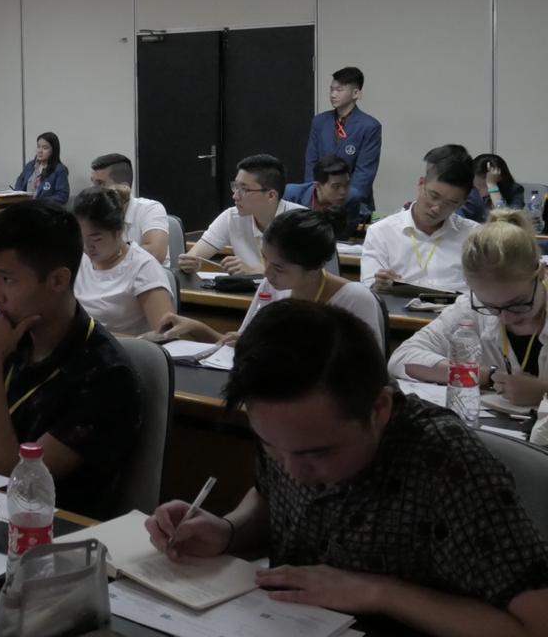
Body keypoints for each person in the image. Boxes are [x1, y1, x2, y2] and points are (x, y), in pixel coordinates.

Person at [145, 300, 548, 637]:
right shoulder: (290, 432)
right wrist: (228, 530)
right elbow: (270, 499)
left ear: (379, 409)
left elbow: (536, 625)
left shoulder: (448, 467)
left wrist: (380, 592)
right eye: (272, 448)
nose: (294, 471)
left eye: (317, 454)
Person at [0, 200, 142, 520]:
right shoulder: (8, 339)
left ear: (58, 280)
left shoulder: (106, 374)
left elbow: (15, 483)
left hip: (54, 535)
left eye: (8, 279)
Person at [161, 210, 385, 350]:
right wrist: (196, 327)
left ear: (315, 266)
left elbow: (363, 375)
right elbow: (241, 343)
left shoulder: (354, 299)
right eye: (264, 258)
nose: (266, 272)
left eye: (278, 267)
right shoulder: (273, 285)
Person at [389, 210, 548, 407]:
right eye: (491, 307)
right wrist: (485, 375)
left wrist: (543, 393)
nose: (505, 318)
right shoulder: (470, 306)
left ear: (540, 272)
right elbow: (402, 358)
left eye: (518, 304)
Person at [361, 152, 479, 293]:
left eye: (450, 203)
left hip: (457, 312)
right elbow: (368, 288)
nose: (436, 208)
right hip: (398, 312)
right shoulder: (381, 232)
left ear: (462, 204)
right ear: (421, 184)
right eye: (433, 196)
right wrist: (377, 285)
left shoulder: (475, 236)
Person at [71, 186, 173, 336]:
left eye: (96, 239)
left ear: (118, 232)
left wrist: (100, 338)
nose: (87, 247)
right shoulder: (78, 260)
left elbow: (165, 336)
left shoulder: (143, 268)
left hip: (126, 354)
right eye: (81, 237)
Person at [180, 155, 304, 276]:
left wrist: (260, 271)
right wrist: (189, 262)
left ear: (271, 195)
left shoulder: (301, 221)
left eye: (244, 189)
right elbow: (195, 255)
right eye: (235, 187)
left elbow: (310, 274)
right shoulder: (231, 216)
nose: (235, 196)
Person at [304, 66, 381, 215]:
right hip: (318, 202)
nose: (333, 94)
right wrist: (313, 196)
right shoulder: (319, 122)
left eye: (339, 90)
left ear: (355, 93)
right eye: (331, 89)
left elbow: (364, 173)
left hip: (352, 204)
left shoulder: (370, 126)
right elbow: (311, 163)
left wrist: (343, 199)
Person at [89, 152, 170, 264]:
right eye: (92, 183)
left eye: (100, 183)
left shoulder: (150, 209)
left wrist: (107, 254)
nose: (92, 190)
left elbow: (155, 254)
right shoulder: (94, 213)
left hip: (147, 278)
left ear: (123, 188)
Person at [284, 156, 363, 239]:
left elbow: (343, 235)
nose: (343, 191)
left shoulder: (352, 198)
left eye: (347, 184)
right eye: (336, 186)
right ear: (317, 186)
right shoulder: (292, 195)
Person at [13, 131, 69, 204]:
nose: (40, 151)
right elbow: (19, 183)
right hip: (25, 207)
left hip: (44, 211)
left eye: (45, 148)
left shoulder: (59, 170)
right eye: (38, 146)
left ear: (53, 150)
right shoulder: (30, 166)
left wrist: (39, 202)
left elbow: (62, 197)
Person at [471, 153, 526, 219]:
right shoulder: (470, 192)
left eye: (486, 178)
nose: (475, 185)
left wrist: (492, 185)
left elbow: (508, 219)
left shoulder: (515, 190)